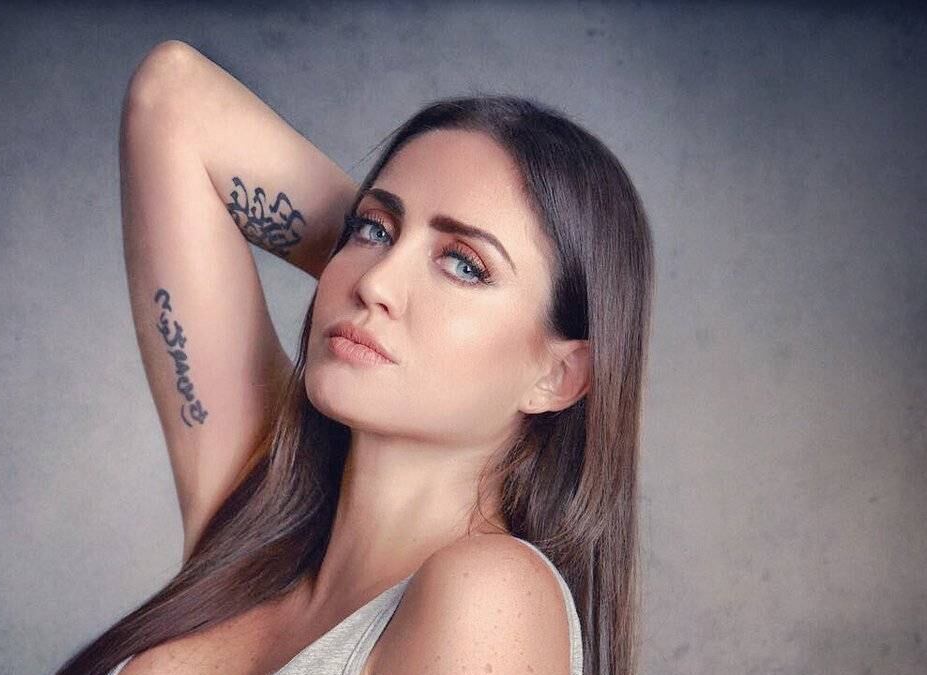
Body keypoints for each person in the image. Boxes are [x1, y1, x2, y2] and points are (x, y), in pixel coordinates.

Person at [57, 39, 652, 675]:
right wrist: (383, 257)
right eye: (373, 229)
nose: (374, 282)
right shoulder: (255, 523)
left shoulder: (492, 594)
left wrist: (386, 255)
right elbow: (172, 98)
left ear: (558, 375)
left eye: (465, 265)